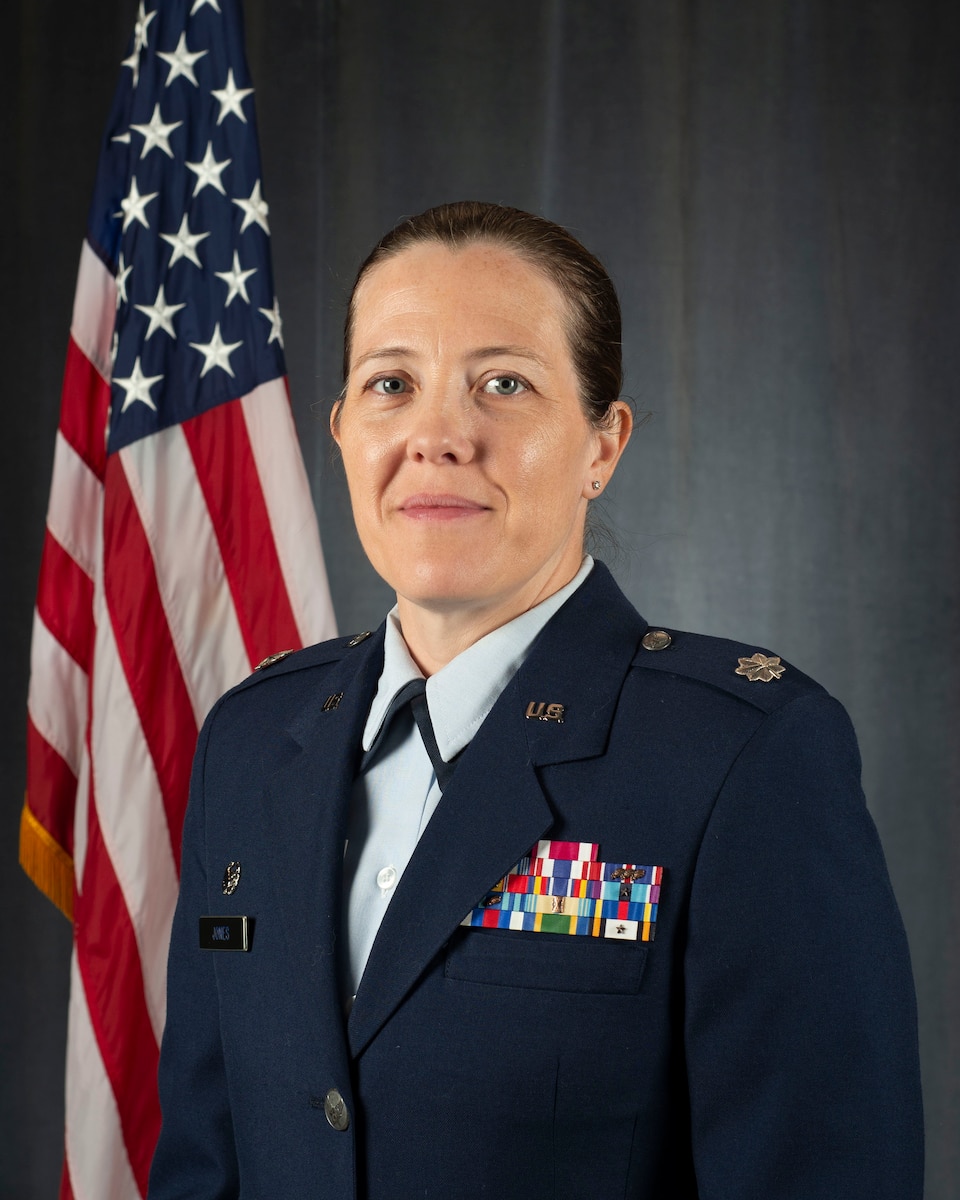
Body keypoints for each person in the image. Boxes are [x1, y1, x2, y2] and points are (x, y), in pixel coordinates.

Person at [148, 201, 923, 1199]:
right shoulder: (254, 742)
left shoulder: (739, 757)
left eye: (502, 385)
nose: (438, 437)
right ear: (341, 431)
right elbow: (206, 1164)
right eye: (392, 385)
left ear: (603, 444)